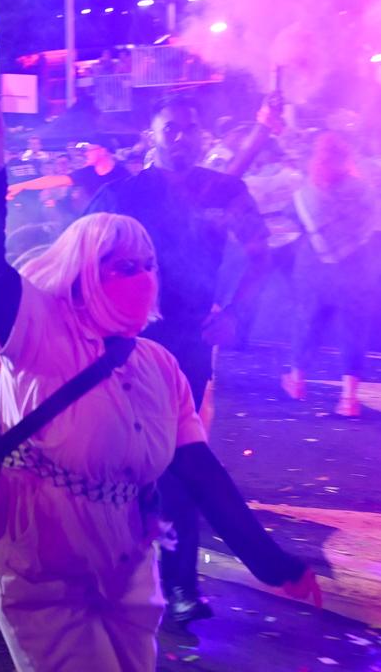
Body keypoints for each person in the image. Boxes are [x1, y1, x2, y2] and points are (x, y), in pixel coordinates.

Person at [0, 92, 320, 672]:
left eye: (145, 265)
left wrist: (272, 562)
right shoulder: (44, 335)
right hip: (41, 558)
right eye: (119, 266)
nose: (139, 277)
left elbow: (201, 471)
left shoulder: (159, 368)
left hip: (128, 565)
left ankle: (178, 579)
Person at [86, 94, 277, 626]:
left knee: (180, 458)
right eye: (171, 128)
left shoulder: (224, 190)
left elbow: (262, 255)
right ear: (152, 134)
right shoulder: (122, 194)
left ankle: (180, 583)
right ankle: (115, 573)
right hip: (124, 346)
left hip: (189, 344)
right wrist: (113, 309)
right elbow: (76, 257)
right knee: (120, 456)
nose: (182, 137)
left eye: (191, 128)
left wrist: (236, 312)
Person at [282, 132, 376, 416]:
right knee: (352, 326)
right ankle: (349, 398)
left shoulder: (307, 191)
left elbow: (292, 215)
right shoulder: (363, 189)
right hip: (355, 264)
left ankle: (297, 380)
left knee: (307, 320)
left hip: (313, 265)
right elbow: (371, 221)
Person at [7, 140, 131, 216]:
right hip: (93, 223)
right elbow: (55, 180)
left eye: (90, 150)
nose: (85, 153)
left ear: (103, 151)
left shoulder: (123, 174)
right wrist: (22, 185)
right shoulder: (87, 172)